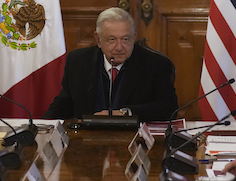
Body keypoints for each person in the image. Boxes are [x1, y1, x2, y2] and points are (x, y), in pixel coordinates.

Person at [43, 7, 178, 121]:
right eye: (112, 39)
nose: (119, 47)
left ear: (134, 37)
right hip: (88, 140)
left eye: (125, 39)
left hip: (133, 140)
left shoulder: (155, 64)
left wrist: (126, 113)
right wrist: (41, 126)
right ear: (98, 39)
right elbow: (64, 105)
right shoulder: (78, 60)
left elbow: (168, 108)